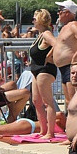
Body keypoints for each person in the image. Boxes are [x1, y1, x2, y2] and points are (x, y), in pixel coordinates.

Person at [53, 0, 77, 110]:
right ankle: (71, 123)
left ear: (67, 12)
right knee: (69, 100)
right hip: (63, 67)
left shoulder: (74, 25)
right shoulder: (65, 27)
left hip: (70, 67)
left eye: (60, 11)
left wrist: (75, 57)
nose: (58, 13)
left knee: (74, 99)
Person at [29, 9, 58, 138]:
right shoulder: (40, 35)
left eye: (34, 19)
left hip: (45, 70)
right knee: (36, 101)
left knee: (48, 102)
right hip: (36, 69)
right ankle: (43, 129)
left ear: (40, 20)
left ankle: (50, 132)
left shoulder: (46, 34)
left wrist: (49, 55)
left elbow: (57, 44)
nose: (33, 21)